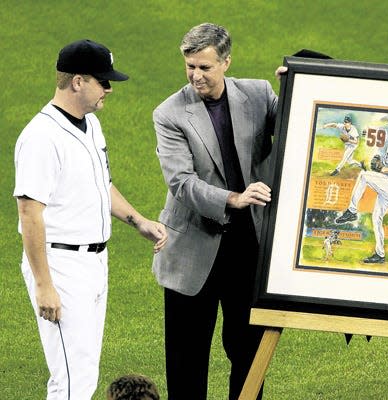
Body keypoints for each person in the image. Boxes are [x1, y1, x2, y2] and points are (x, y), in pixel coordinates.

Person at [13, 39, 168, 400]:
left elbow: (101, 185)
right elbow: (29, 212)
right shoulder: (41, 137)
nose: (110, 89)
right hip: (61, 265)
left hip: (94, 263)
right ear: (78, 81)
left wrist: (138, 220)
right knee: (73, 382)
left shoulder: (90, 125)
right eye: (104, 81)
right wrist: (44, 284)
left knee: (82, 373)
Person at [151, 23, 277, 400]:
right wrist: (233, 198)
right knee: (187, 361)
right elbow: (181, 182)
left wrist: (298, 82)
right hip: (193, 247)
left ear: (226, 62)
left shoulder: (257, 94)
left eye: (204, 67)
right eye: (190, 66)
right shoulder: (170, 113)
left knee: (249, 353)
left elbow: (303, 121)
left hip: (247, 247)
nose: (195, 76)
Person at [334, 115, 388, 264]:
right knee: (376, 218)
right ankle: (380, 255)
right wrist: (381, 165)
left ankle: (352, 211)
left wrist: (382, 168)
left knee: (363, 176)